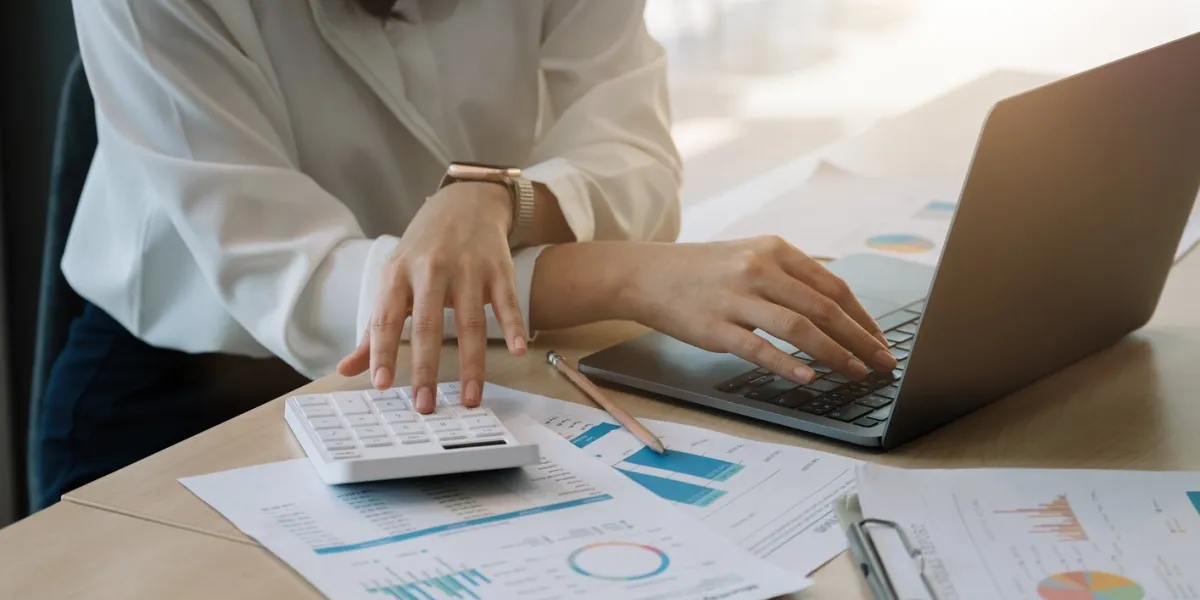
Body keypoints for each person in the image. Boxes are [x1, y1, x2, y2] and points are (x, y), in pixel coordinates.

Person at [32, 0, 895, 510]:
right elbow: (296, 282)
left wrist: (491, 195)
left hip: (493, 372)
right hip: (194, 390)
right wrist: (629, 276)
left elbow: (633, 154)